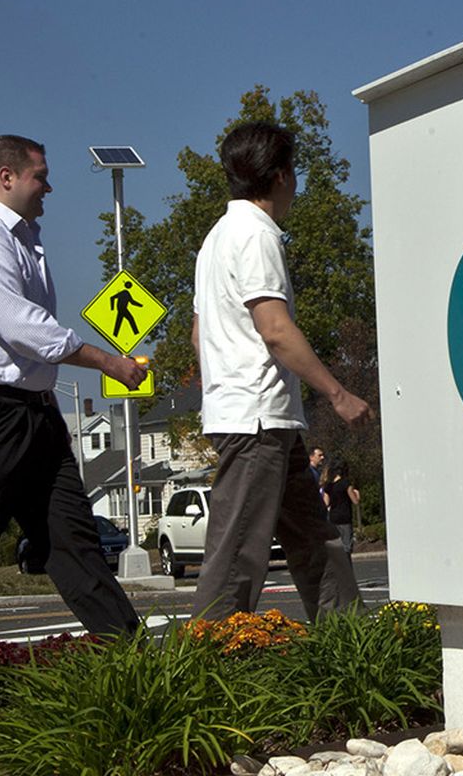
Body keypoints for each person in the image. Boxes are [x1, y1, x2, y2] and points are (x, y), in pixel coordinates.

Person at [0, 136, 152, 643]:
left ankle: (131, 657)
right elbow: (25, 328)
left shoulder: (23, 238)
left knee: (75, 542)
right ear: (7, 177)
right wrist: (107, 361)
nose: (49, 186)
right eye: (41, 175)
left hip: (33, 415)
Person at [192, 120, 373, 622]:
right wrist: (337, 394)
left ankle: (351, 645)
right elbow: (274, 328)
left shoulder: (216, 239)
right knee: (237, 559)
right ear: (280, 177)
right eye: (294, 171)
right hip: (256, 423)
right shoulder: (254, 235)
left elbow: (198, 335)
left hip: (262, 419)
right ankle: (203, 672)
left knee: (318, 543)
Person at [322, 457, 362, 553]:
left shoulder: (328, 486)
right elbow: (355, 501)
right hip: (345, 517)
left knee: (335, 546)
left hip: (333, 518)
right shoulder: (346, 484)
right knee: (346, 546)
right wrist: (357, 493)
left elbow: (325, 504)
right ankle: (346, 565)